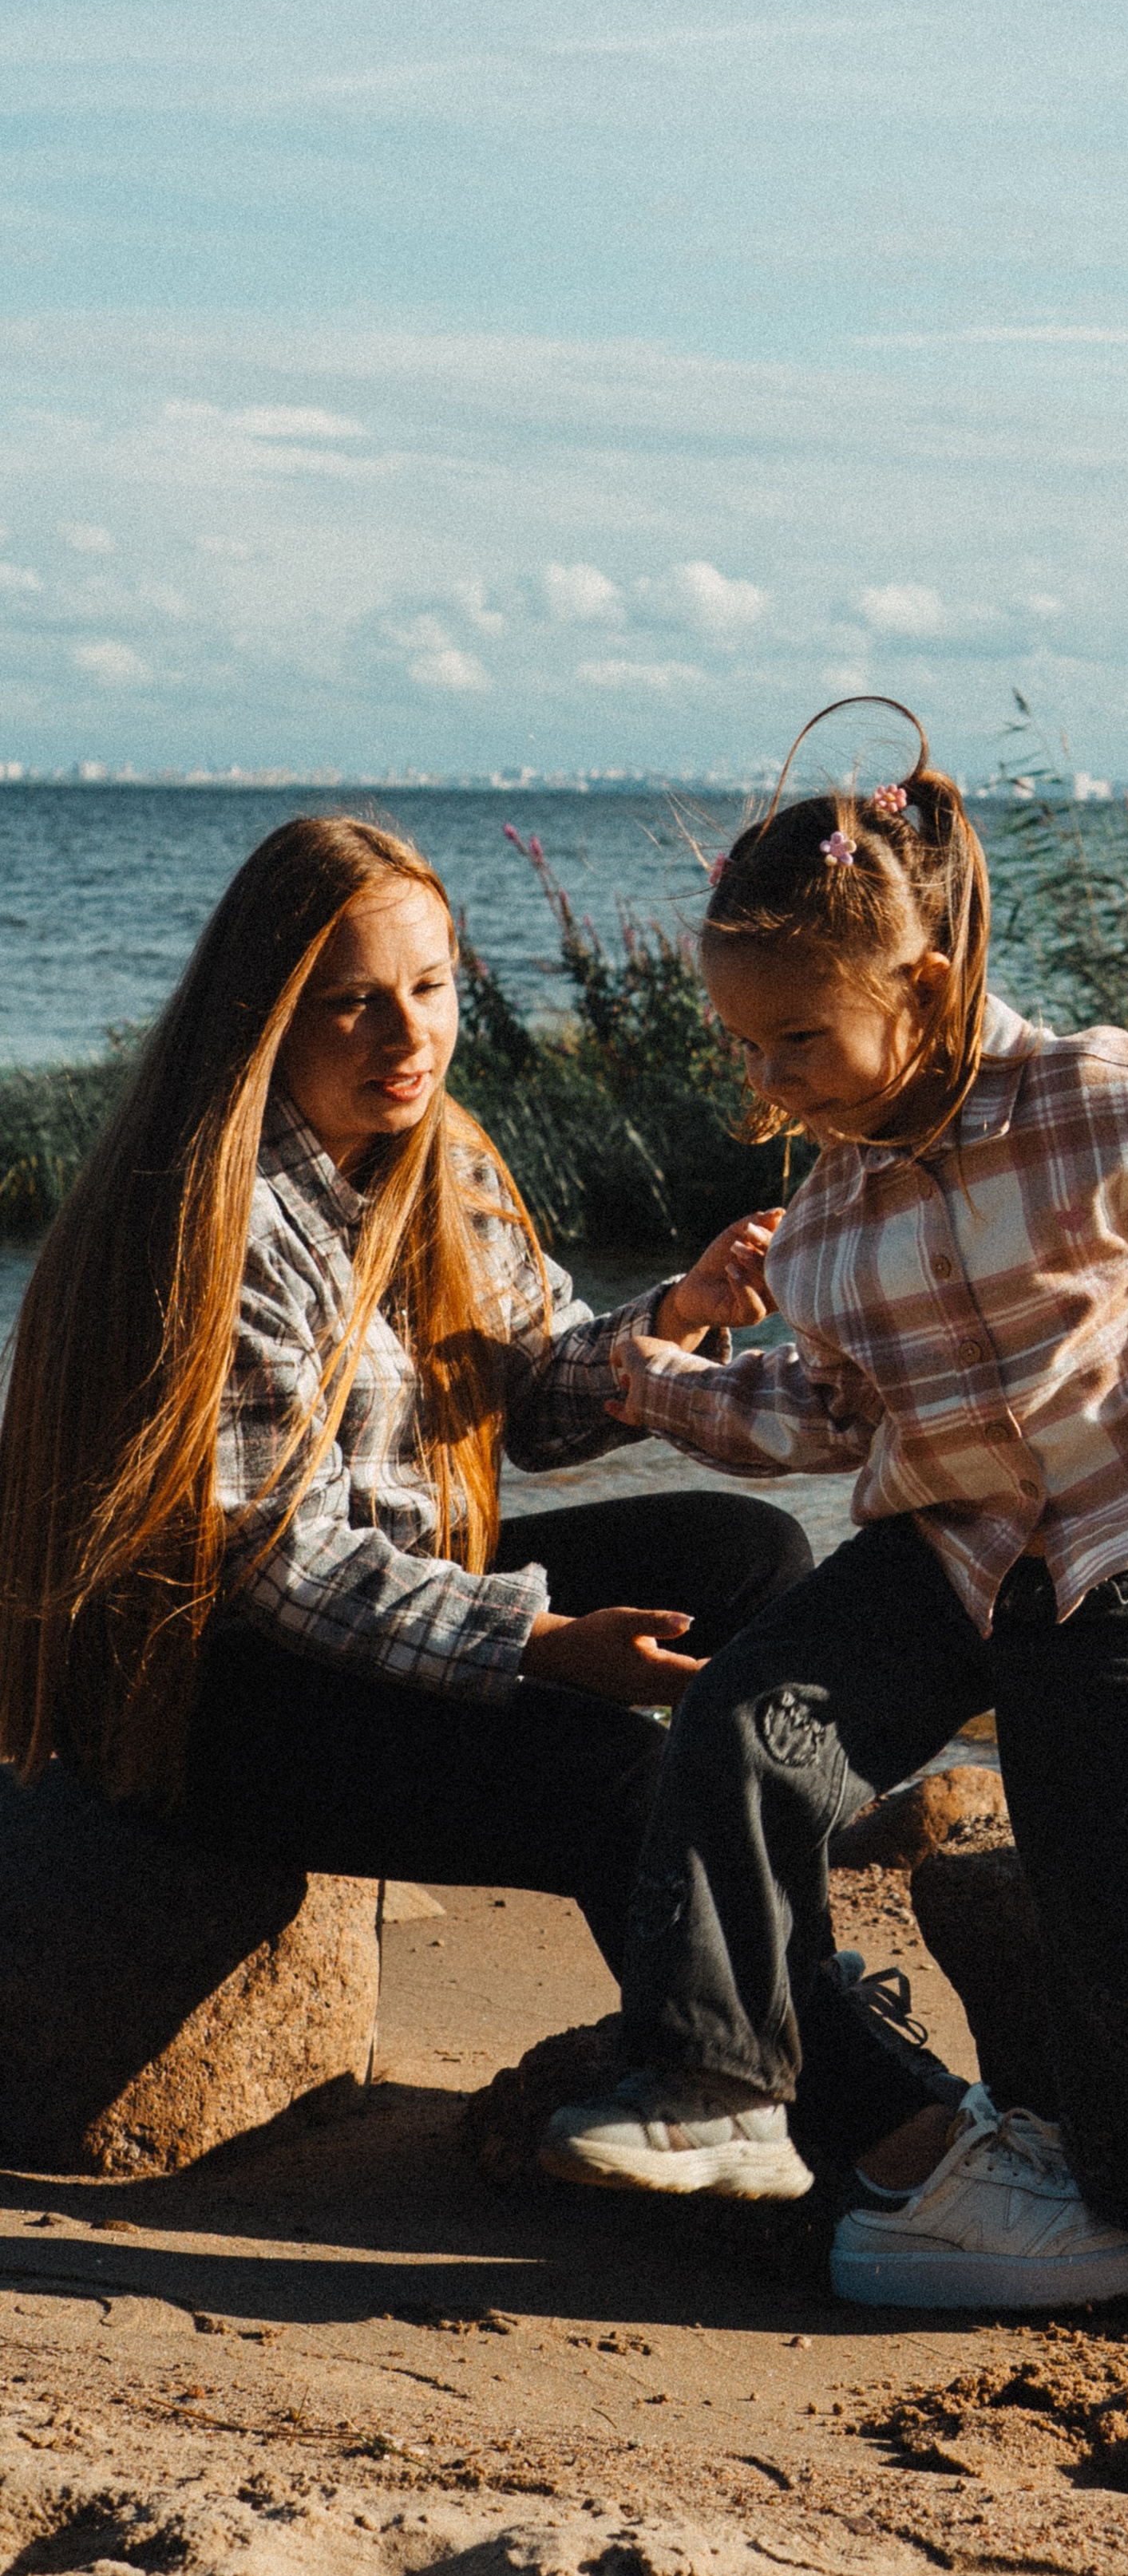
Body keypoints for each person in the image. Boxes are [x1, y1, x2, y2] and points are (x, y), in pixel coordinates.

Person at [540, 702, 1128, 2340]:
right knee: (747, 1727)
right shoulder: (831, 1215)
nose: (765, 1084)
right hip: (937, 1553)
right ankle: (717, 2081)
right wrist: (651, 1382)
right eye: (745, 1047)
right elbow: (818, 1416)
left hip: (1124, 1553)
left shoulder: (1109, 1102)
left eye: (795, 1043)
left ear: (915, 988)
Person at [0, 813, 962, 2195]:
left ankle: (739, 2001)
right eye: (354, 1002)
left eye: (432, 988)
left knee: (749, 1554)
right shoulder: (208, 1217)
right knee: (608, 1773)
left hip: (369, 1605)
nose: (410, 1036)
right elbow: (283, 1562)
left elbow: (532, 1392)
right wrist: (536, 1646)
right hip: (205, 1692)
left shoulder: (433, 1156)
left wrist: (677, 1320)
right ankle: (889, 2134)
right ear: (265, 1011)